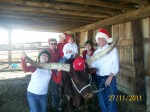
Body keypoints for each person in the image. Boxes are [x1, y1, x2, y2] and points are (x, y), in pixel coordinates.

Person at [91, 28, 119, 112]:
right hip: (98, 78)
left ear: (107, 40)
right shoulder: (96, 53)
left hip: (109, 78)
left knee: (111, 101)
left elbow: (115, 65)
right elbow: (93, 66)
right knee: (102, 102)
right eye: (99, 38)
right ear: (97, 40)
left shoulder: (112, 49)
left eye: (103, 38)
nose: (101, 40)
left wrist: (110, 77)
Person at [47, 38, 61, 112]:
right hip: (45, 73)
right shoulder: (45, 52)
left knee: (55, 91)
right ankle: (45, 105)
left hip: (54, 73)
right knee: (43, 90)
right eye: (51, 43)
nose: (53, 45)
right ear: (49, 44)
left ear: (56, 45)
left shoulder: (58, 52)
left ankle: (55, 106)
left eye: (54, 44)